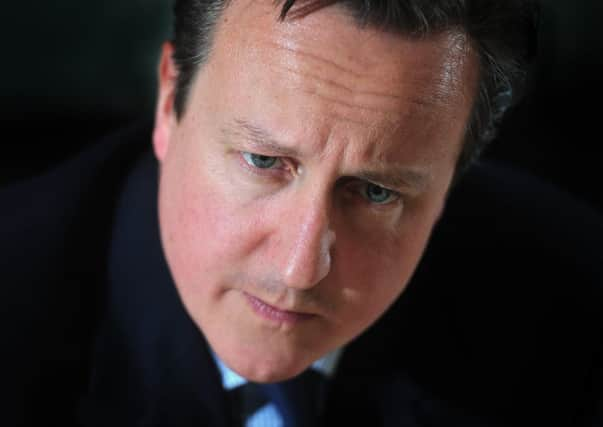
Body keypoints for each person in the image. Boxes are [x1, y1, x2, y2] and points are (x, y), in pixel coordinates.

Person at [2, 0, 602, 426]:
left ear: (451, 182)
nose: (298, 270)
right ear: (168, 102)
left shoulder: (576, 307)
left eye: (376, 193)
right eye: (263, 160)